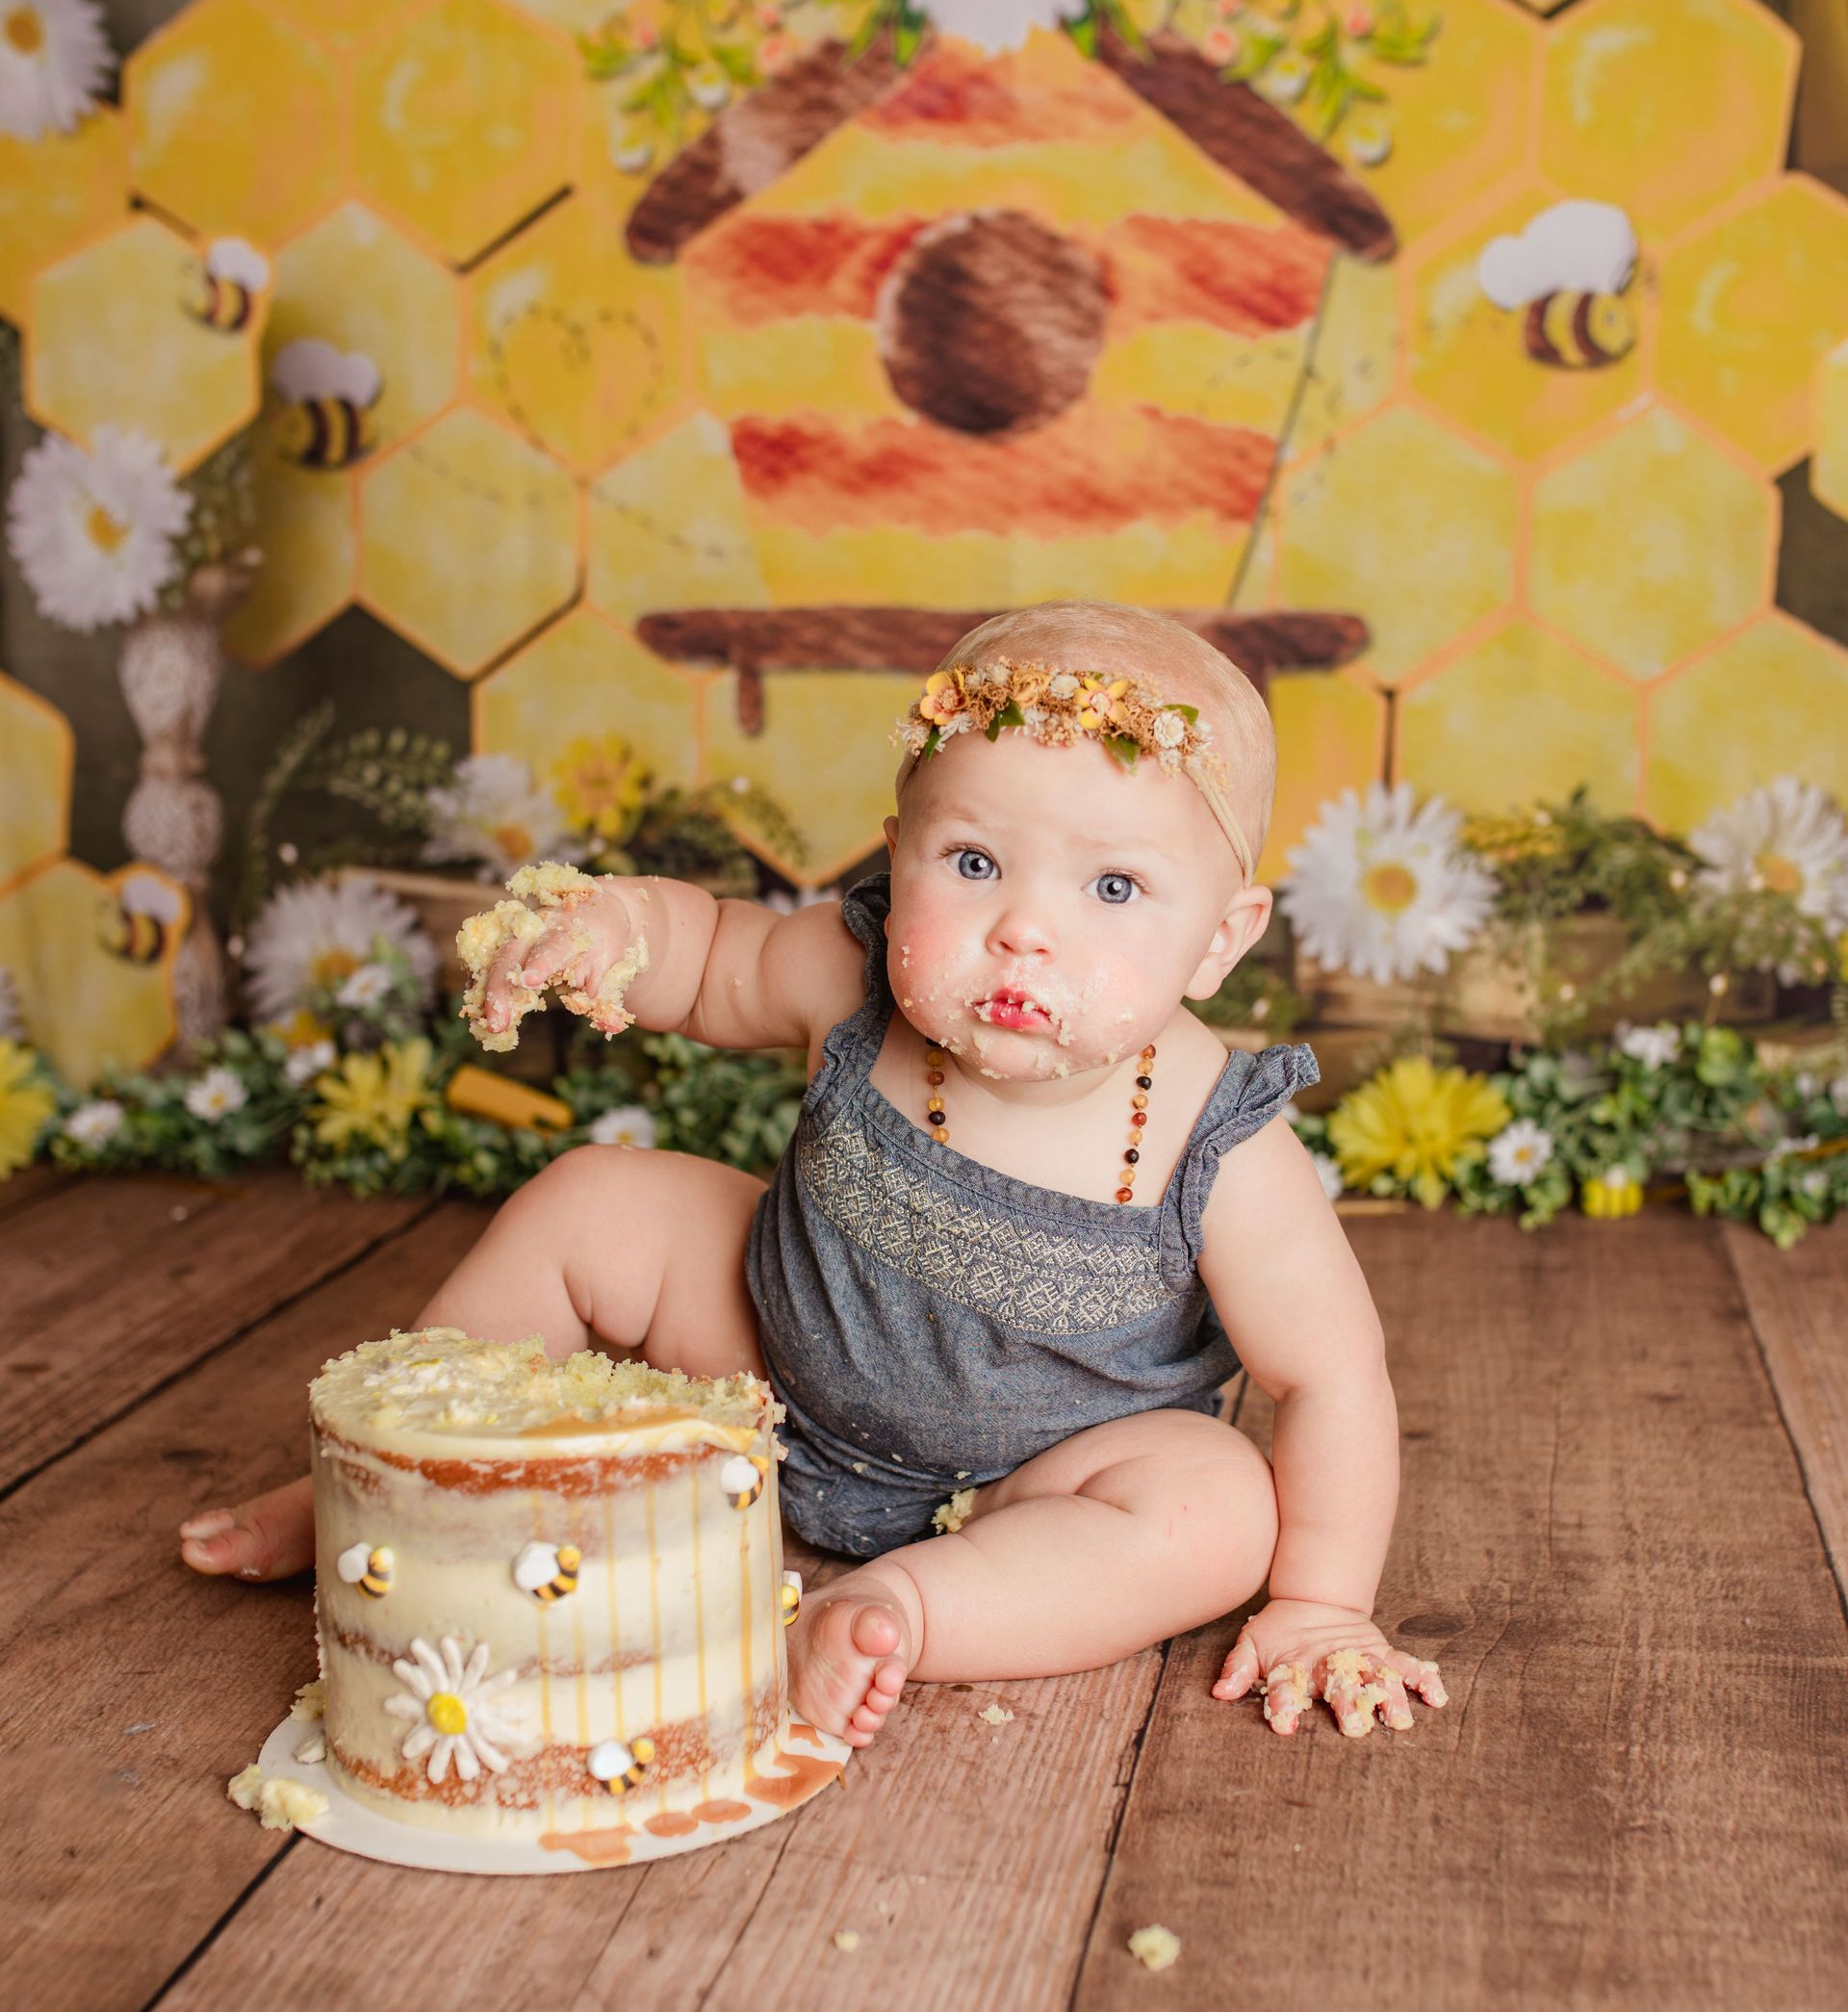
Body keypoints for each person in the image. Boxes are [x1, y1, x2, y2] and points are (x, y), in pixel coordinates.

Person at [182, 600, 1446, 1745]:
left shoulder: (1217, 1146)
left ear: (1220, 939)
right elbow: (713, 952)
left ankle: (908, 1605)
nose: (1025, 926)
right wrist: (618, 928)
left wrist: (1326, 1602)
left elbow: (1332, 1374)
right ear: (897, 856)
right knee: (598, 1197)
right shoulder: (849, 977)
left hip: (1035, 1480)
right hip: (767, 1369)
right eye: (972, 864)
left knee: (1217, 1504)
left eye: (1114, 885)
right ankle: (386, 1479)